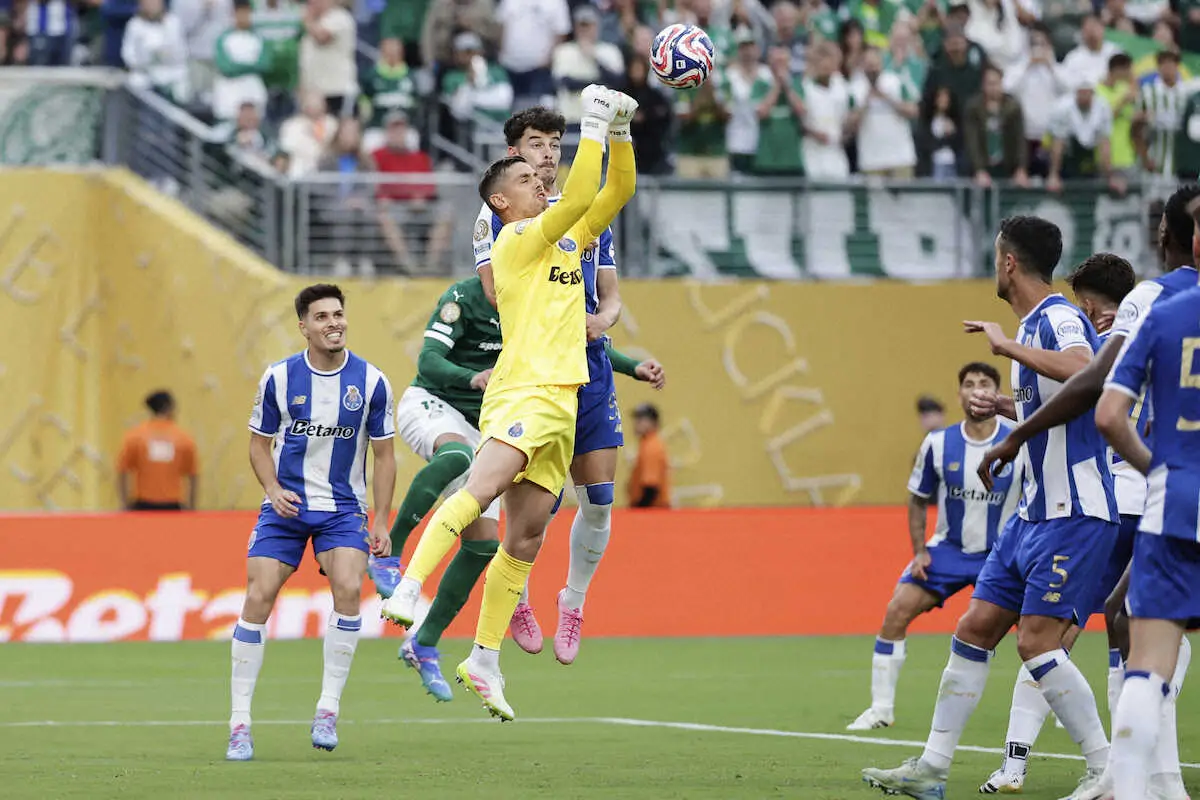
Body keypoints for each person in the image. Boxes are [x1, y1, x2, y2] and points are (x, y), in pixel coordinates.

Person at [380, 85, 638, 721]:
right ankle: (410, 587)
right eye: (525, 174)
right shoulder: (516, 239)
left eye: (540, 169)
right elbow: (580, 192)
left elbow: (613, 195)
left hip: (565, 402)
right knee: (480, 488)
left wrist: (623, 135)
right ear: (502, 201)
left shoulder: (570, 237)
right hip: (523, 390)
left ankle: (484, 658)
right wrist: (593, 126)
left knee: (523, 542)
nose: (538, 176)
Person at [863, 216, 1118, 799]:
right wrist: (1007, 406)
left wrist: (1008, 349)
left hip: (1073, 509)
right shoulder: (1033, 327)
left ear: (1009, 263)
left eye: (995, 254)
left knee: (1036, 643)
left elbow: (1088, 374)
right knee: (975, 627)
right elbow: (1057, 403)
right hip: (1031, 514)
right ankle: (931, 768)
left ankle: (1106, 769)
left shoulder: (1054, 319)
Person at [975, 186, 1200, 800]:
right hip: (1144, 496)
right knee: (1090, 630)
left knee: (1118, 633)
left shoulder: (1157, 303)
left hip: (1150, 495)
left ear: (1167, 237)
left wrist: (1016, 430)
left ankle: (1135, 783)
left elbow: (1101, 400)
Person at [370, 275, 664, 701]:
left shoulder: (536, 296)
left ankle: (427, 642)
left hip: (497, 423)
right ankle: (393, 560)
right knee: (459, 462)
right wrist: (472, 378)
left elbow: (583, 342)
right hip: (441, 406)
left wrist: (631, 366)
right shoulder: (464, 297)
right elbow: (429, 361)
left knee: (484, 545)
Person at [460, 104, 662, 665]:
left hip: (589, 365)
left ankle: (572, 601)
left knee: (598, 498)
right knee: (530, 506)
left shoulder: (588, 206)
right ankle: (515, 592)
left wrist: (605, 318)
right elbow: (497, 292)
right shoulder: (496, 215)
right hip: (535, 369)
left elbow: (611, 294)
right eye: (536, 143)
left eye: (555, 142)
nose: (548, 152)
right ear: (512, 154)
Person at [979, 252, 1137, 794]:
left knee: (1068, 636)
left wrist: (1009, 356)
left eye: (1084, 302)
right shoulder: (1136, 337)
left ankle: (1118, 765)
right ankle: (1025, 763)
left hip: (1108, 501)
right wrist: (1014, 412)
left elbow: (1091, 394)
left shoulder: (1117, 342)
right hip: (1115, 499)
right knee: (1053, 640)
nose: (1082, 312)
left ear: (1092, 301)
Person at [225, 284, 396, 761]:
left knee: (347, 586)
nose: (333, 323)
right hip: (286, 508)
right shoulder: (279, 378)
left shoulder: (373, 381)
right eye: (321, 317)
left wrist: (381, 519)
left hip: (342, 509)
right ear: (303, 326)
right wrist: (273, 490)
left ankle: (327, 708)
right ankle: (240, 723)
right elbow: (259, 444)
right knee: (257, 597)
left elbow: (384, 457)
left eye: (338, 314)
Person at [847, 363, 1021, 732]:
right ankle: (881, 708)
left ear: (997, 394)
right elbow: (916, 499)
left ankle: (1049, 706)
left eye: (985, 384)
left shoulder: (1019, 440)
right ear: (958, 395)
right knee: (896, 610)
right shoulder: (938, 444)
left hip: (1003, 554)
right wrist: (919, 551)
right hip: (949, 551)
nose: (976, 391)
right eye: (969, 385)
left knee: (1040, 633)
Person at [1097, 285, 1200, 800]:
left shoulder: (1162, 314)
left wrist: (1161, 472)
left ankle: (1133, 789)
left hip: (1177, 500)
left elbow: (1109, 415)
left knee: (1145, 656)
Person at [116, 390, 199, 511]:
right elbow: (193, 475)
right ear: (169, 408)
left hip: (143, 506)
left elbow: (122, 471)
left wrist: (124, 504)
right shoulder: (184, 438)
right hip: (172, 506)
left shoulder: (135, 436)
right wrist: (191, 507)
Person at [627, 403, 671, 508]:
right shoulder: (648, 443)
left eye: (640, 419)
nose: (636, 423)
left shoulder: (652, 446)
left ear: (653, 422)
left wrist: (638, 512)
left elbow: (651, 487)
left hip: (654, 510)